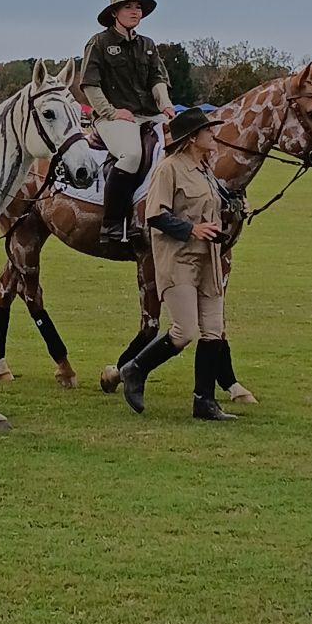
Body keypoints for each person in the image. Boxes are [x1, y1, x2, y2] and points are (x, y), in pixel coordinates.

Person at [118, 107, 237, 421]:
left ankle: (204, 402)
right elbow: (154, 215)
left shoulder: (205, 170)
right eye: (208, 131)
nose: (214, 135)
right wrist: (192, 229)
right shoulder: (168, 168)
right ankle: (135, 369)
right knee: (184, 332)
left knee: (213, 330)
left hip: (208, 260)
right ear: (193, 138)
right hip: (179, 260)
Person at [79, 0, 175, 243]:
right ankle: (111, 224)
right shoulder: (99, 43)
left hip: (149, 114)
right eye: (128, 7)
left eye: (138, 7)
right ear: (114, 13)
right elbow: (90, 84)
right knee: (131, 155)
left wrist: (165, 105)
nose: (135, 12)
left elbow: (157, 79)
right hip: (114, 117)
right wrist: (110, 112)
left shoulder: (147, 45)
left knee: (184, 144)